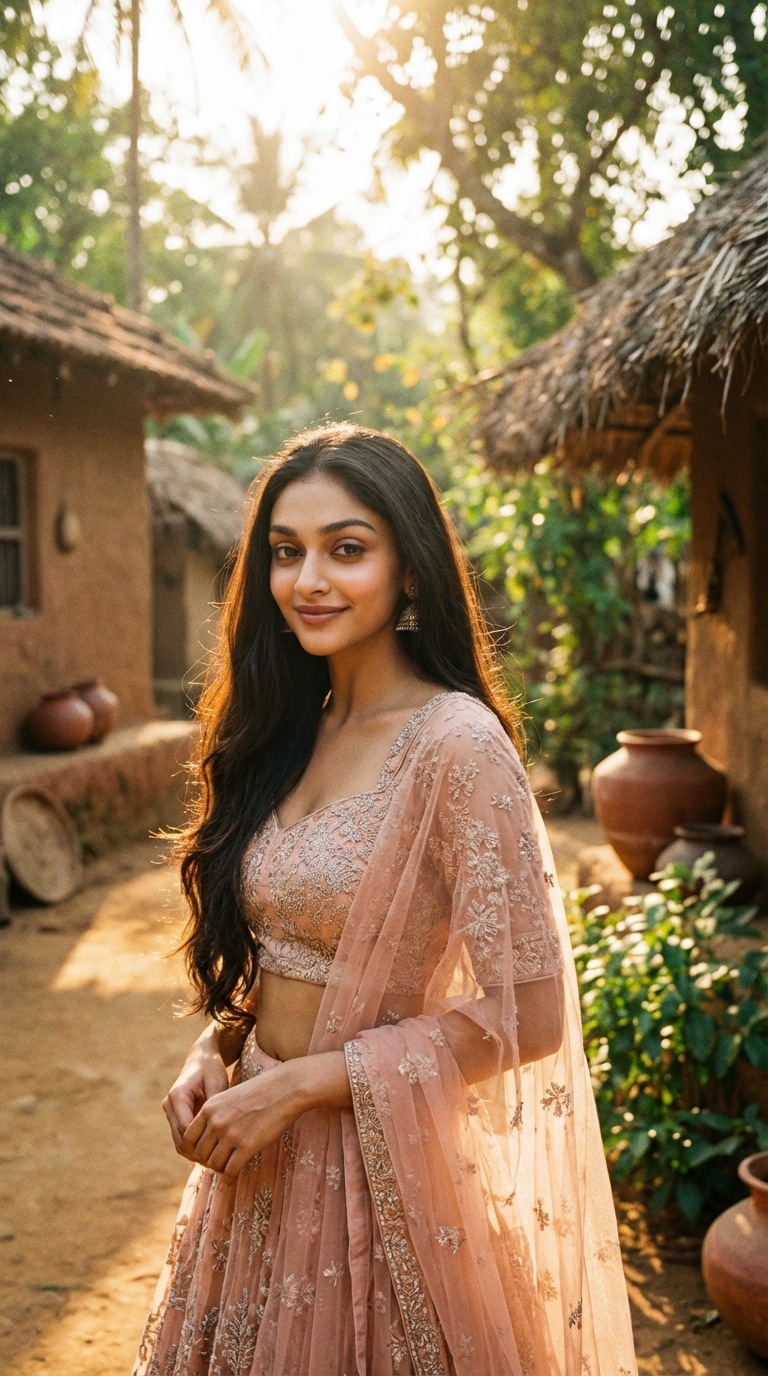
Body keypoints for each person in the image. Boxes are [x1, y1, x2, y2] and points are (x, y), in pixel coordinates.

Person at [132, 423, 637, 1376]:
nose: (309, 580)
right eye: (287, 552)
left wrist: (306, 1084)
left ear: (410, 572)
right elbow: (290, 950)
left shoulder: (457, 745)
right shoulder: (292, 729)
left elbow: (529, 1016)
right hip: (255, 1163)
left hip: (378, 1185)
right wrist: (223, 1044)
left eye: (346, 549)